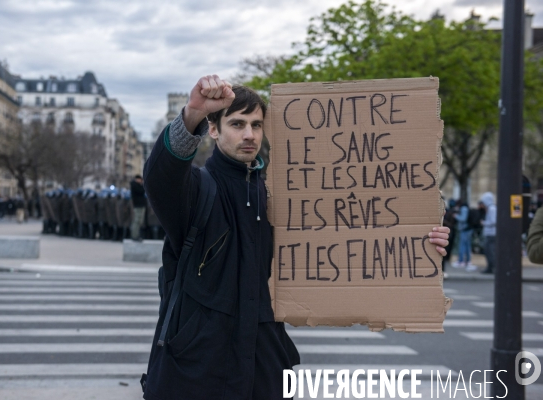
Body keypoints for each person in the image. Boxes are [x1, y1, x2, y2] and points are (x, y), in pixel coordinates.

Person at [141, 75, 450, 400]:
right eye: (237, 123)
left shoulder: (285, 199)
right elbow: (160, 177)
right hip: (196, 370)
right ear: (214, 129)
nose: (249, 134)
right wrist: (191, 114)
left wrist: (420, 242)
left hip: (265, 368)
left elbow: (348, 244)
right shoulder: (196, 189)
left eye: (257, 125)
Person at [453, 200, 476, 270]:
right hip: (468, 229)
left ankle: (461, 261)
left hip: (465, 230)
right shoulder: (466, 208)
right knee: (467, 246)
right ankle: (468, 261)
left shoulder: (463, 208)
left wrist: (456, 216)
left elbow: (463, 218)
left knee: (462, 245)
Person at [479, 192, 497, 273]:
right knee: (488, 251)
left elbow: (494, 221)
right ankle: (490, 267)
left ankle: (492, 268)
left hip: (491, 234)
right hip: (490, 233)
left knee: (489, 251)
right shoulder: (491, 208)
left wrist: (484, 223)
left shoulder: (492, 209)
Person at [130, 175, 146, 241]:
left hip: (140, 205)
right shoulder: (135, 185)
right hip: (138, 205)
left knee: (139, 221)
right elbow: (142, 191)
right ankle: (135, 235)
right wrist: (143, 185)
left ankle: (136, 235)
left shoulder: (136, 185)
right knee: (137, 221)